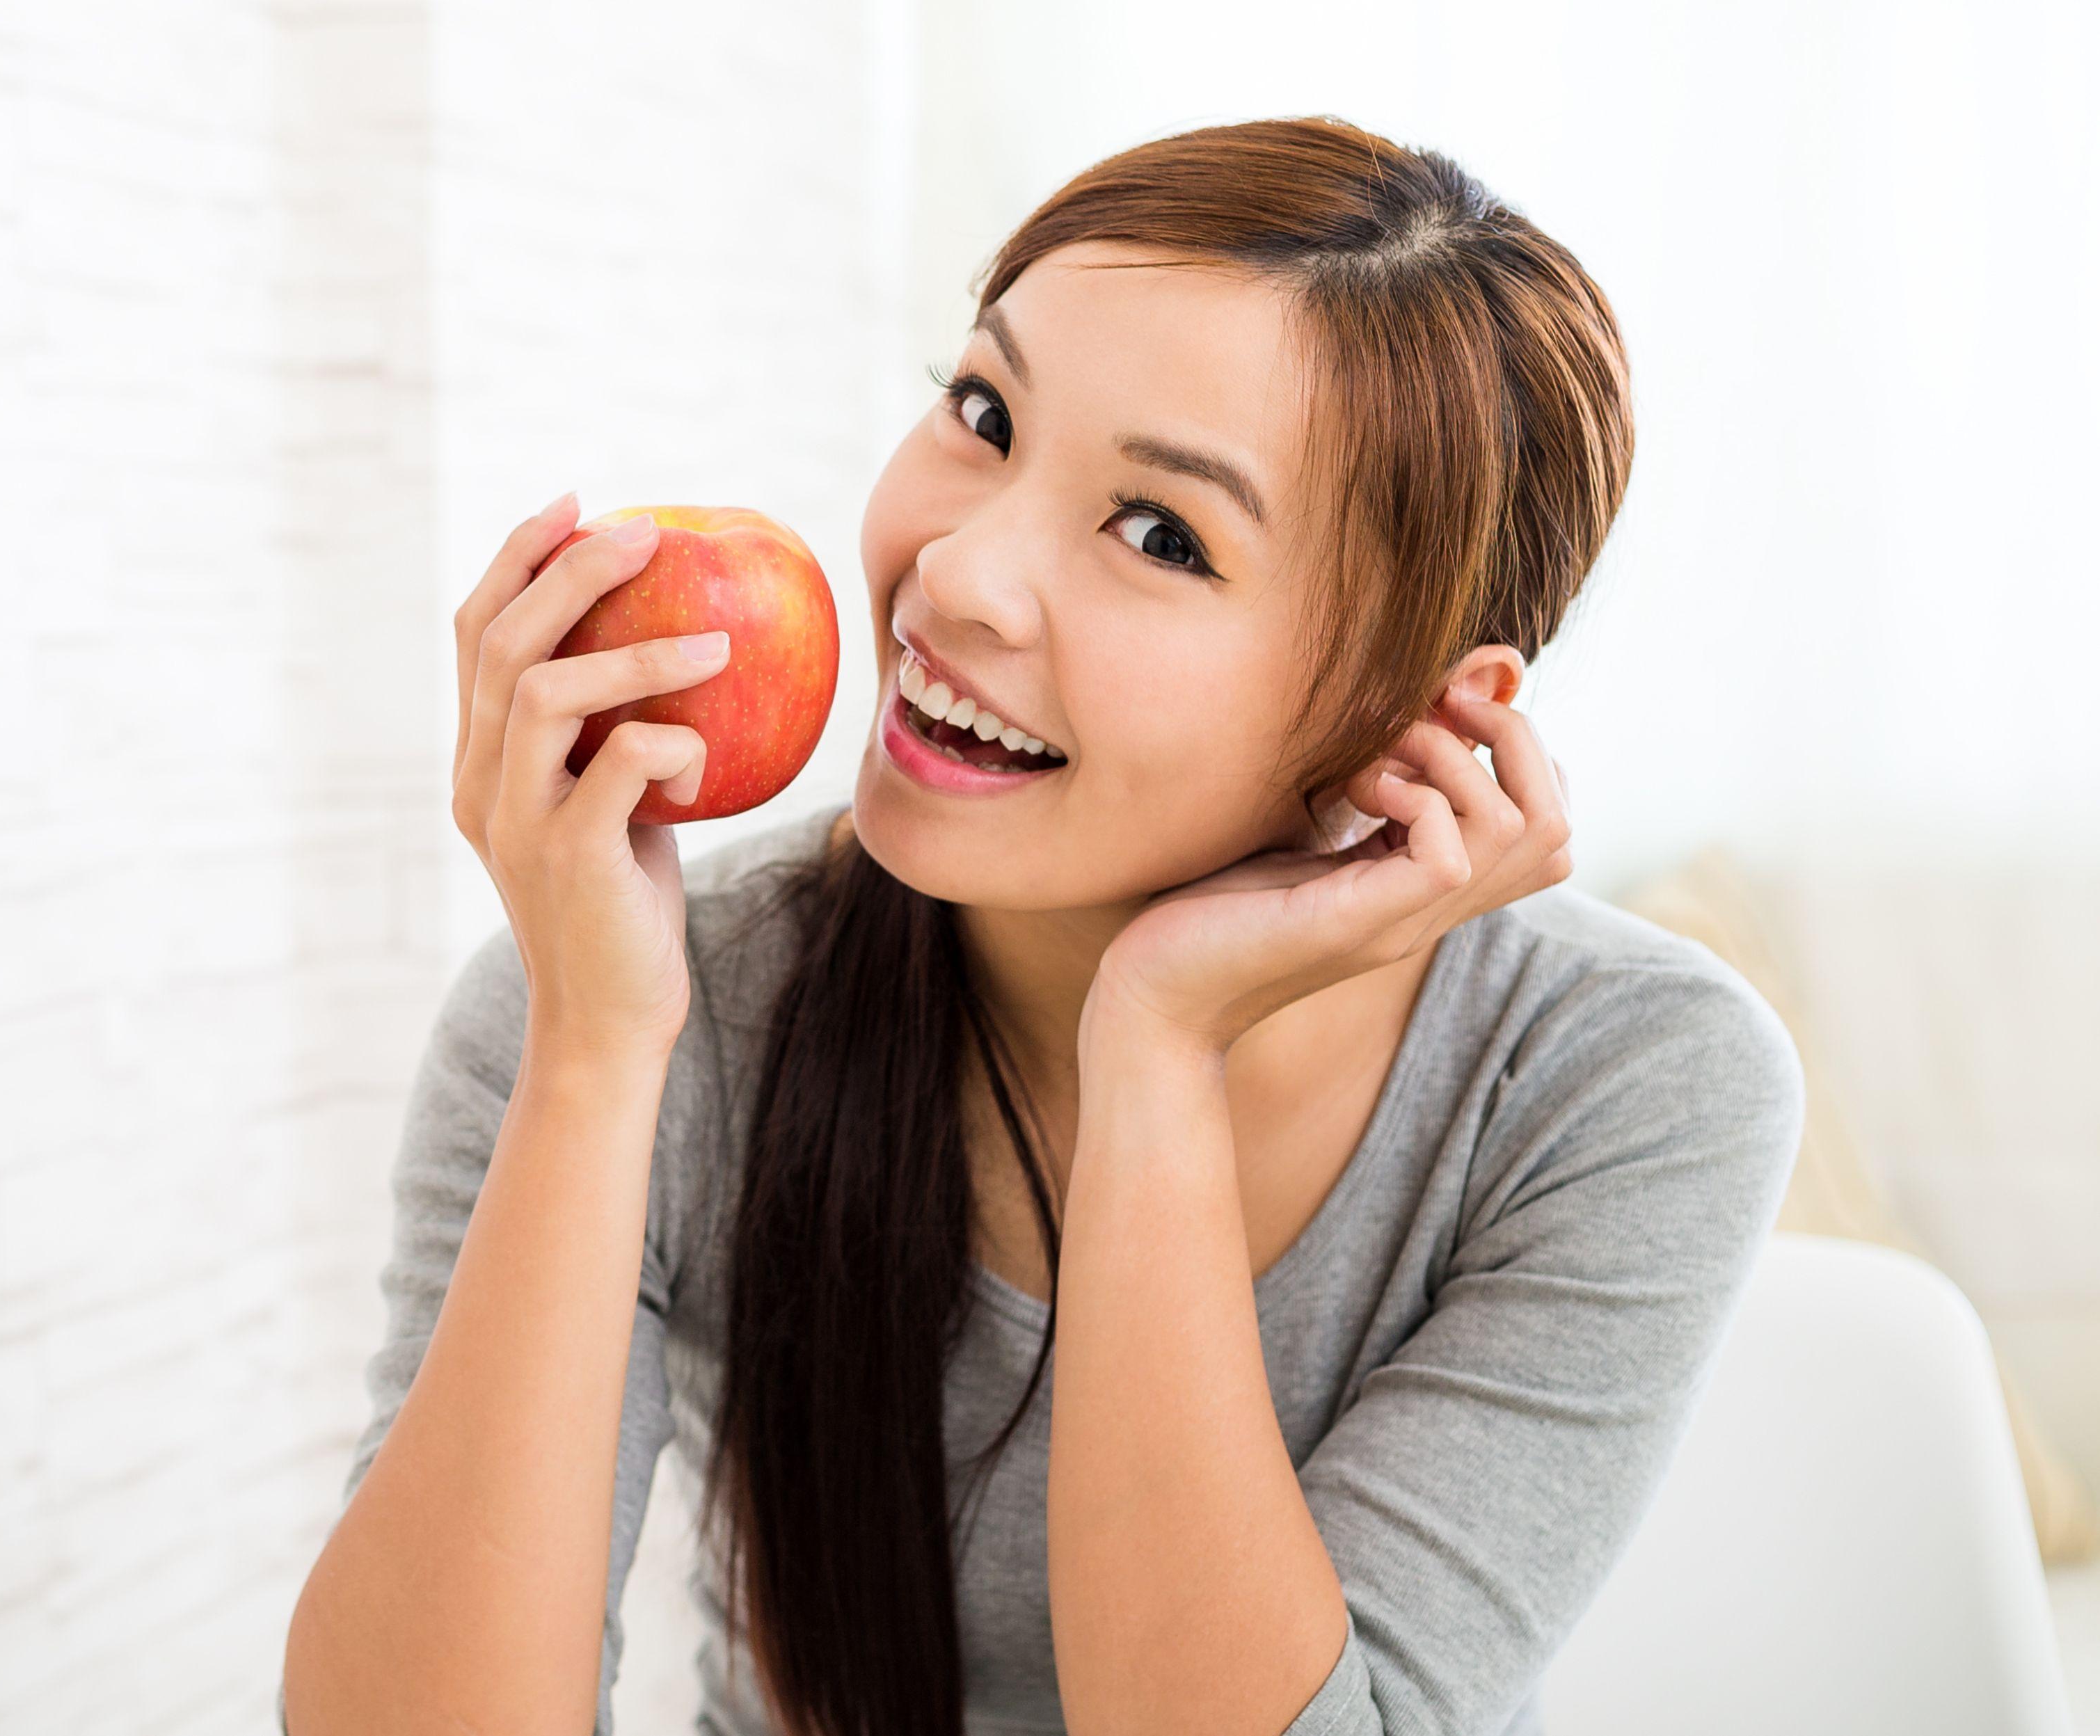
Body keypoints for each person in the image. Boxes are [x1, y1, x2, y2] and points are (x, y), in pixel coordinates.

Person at [278, 116, 1804, 1736]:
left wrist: (1155, 1044)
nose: (958, 573)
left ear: (1417, 715)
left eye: (1161, 534)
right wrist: (591, 1054)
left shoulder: (1621, 1078)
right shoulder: (634, 994)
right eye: (985, 412)